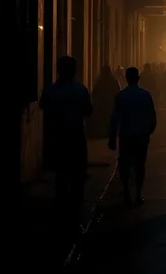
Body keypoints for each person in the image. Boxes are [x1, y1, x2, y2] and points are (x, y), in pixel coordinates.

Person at [40, 55, 92, 224]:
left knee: (61, 175)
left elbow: (42, 106)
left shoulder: (50, 91)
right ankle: (75, 211)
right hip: (76, 137)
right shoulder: (80, 90)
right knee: (77, 176)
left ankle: (61, 209)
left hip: (56, 138)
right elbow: (88, 111)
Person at [109, 66, 157, 205]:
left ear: (126, 78)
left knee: (124, 165)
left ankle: (126, 192)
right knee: (140, 165)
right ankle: (138, 194)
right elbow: (152, 117)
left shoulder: (120, 96)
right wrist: (149, 131)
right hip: (141, 135)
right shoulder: (145, 94)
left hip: (126, 135)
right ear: (138, 78)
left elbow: (115, 118)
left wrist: (112, 137)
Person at [89, 65, 120, 138]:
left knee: (102, 118)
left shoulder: (99, 81)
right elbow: (118, 92)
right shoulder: (114, 81)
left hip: (102, 104)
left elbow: (95, 92)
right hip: (111, 103)